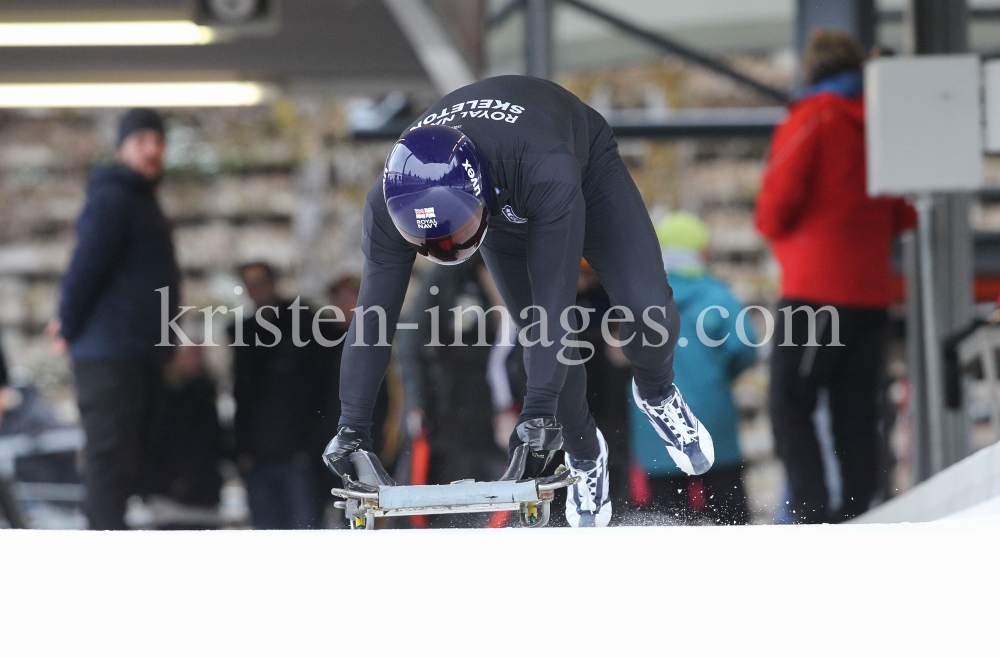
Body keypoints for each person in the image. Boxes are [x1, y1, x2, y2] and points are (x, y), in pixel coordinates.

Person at [322, 75, 714, 528]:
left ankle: (657, 393)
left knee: (647, 314)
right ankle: (586, 455)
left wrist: (536, 416)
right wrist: (351, 427)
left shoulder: (545, 168)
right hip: (496, 212)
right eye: (426, 243)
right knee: (538, 345)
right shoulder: (387, 203)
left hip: (576, 172)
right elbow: (374, 317)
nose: (446, 251)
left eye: (456, 238)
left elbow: (555, 307)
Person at [756, 32, 917, 523]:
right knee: (857, 409)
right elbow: (904, 214)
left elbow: (774, 209)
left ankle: (810, 511)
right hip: (870, 298)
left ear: (813, 70)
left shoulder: (814, 118)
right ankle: (858, 511)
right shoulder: (882, 125)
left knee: (789, 401)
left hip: (814, 295)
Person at [53, 108, 180, 530]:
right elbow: (85, 266)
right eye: (142, 140)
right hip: (110, 355)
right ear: (123, 147)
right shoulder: (114, 195)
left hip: (136, 354)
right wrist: (66, 324)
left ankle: (111, 538)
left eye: (158, 141)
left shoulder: (142, 199)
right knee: (110, 459)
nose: (152, 150)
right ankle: (100, 551)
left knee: (128, 460)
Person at [630, 212, 756, 525]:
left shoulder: (635, 299)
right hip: (712, 419)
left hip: (654, 425)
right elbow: (745, 348)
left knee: (668, 518)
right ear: (702, 251)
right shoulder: (717, 296)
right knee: (729, 513)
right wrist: (721, 376)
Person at [397, 255, 508, 527]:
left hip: (496, 416)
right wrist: (416, 400)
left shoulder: (518, 271)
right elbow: (411, 344)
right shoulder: (448, 275)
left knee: (498, 503)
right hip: (444, 410)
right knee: (427, 502)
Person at [230, 262, 324, 529]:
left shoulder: (304, 322)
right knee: (266, 534)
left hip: (299, 453)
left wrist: (312, 445)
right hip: (259, 456)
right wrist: (242, 449)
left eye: (260, 281)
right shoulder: (244, 331)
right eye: (249, 284)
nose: (255, 289)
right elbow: (242, 394)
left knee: (306, 531)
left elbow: (319, 385)